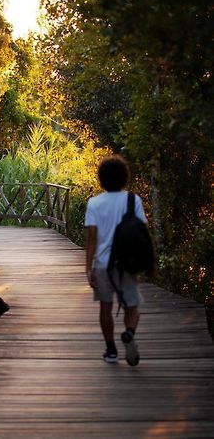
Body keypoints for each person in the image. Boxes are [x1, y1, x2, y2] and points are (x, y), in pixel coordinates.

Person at [84, 155, 147, 366]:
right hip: (127, 263)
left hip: (103, 264)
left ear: (101, 179)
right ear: (124, 177)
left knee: (105, 306)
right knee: (133, 306)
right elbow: (141, 231)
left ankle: (111, 350)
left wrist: (88, 268)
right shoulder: (133, 200)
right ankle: (129, 333)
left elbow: (92, 238)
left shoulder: (94, 203)